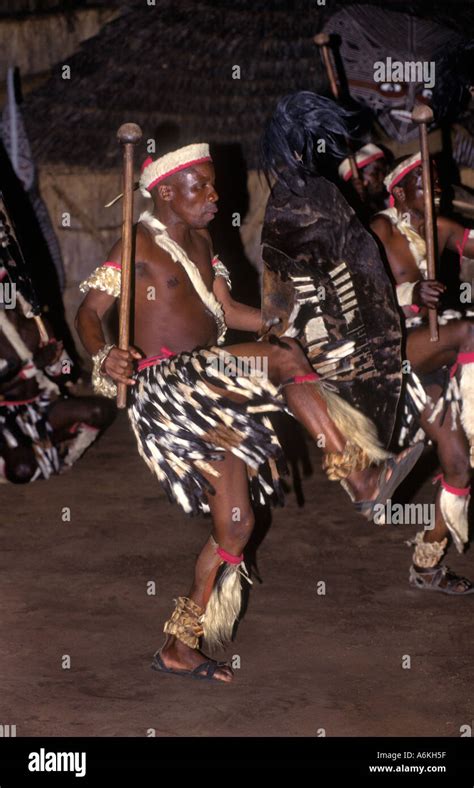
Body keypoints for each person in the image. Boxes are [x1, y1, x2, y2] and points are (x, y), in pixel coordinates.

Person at [76, 141, 420, 682]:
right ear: (166, 191)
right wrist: (103, 354)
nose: (216, 197)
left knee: (236, 525)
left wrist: (290, 317)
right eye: (202, 188)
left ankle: (178, 643)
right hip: (169, 386)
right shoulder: (137, 240)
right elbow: (89, 312)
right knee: (281, 363)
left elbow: (228, 311)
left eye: (215, 186)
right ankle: (359, 475)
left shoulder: (204, 238)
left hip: (211, 383)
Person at [371, 153, 474, 593]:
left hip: (440, 353)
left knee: (459, 467)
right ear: (398, 193)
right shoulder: (378, 230)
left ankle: (427, 562)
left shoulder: (441, 227)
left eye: (436, 182)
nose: (435, 191)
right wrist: (411, 291)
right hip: (395, 345)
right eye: (423, 184)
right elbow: (359, 295)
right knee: (469, 327)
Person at [0, 270, 114, 483]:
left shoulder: (36, 327)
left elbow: (67, 374)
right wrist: (34, 367)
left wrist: (57, 362)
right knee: (21, 469)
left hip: (40, 405)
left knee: (100, 411)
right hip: (4, 421)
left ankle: (51, 444)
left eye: (5, 288)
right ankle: (30, 450)